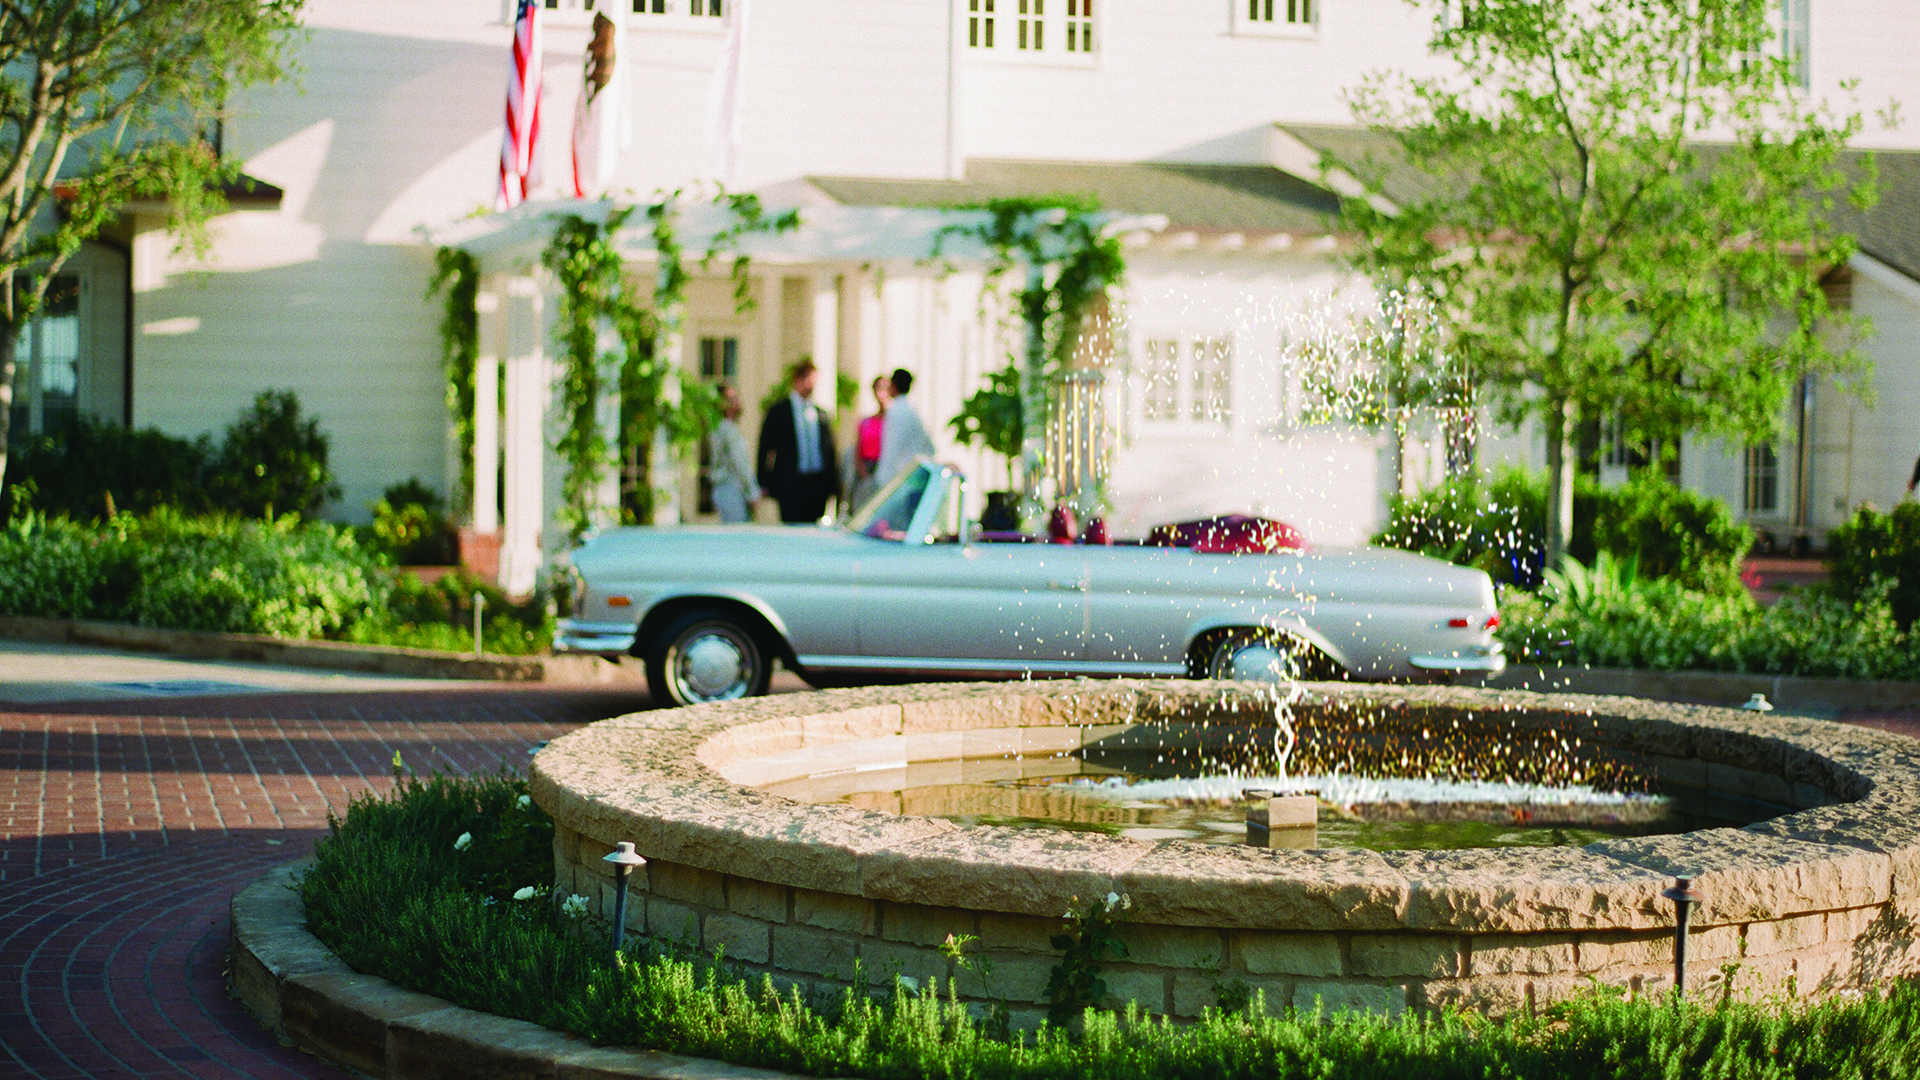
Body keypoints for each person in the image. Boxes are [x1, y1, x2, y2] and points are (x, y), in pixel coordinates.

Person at [756, 359, 841, 523]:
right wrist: (763, 481)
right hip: (790, 483)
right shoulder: (779, 412)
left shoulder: (820, 414)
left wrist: (833, 485)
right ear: (797, 380)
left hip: (816, 484)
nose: (812, 385)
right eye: (808, 380)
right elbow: (765, 446)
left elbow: (829, 450)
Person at [874, 368, 935, 488]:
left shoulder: (896, 412)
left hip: (899, 478)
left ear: (894, 385)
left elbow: (891, 448)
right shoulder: (911, 412)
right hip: (911, 474)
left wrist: (882, 477)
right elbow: (929, 447)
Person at [707, 384, 757, 523]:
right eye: (731, 398)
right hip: (732, 489)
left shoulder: (721, 427)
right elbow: (739, 464)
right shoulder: (725, 429)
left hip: (727, 489)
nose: (736, 401)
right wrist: (752, 493)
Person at [848, 375, 892, 512]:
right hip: (866, 469)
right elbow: (858, 448)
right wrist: (862, 471)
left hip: (884, 468)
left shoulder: (894, 420)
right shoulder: (866, 421)